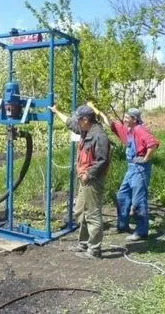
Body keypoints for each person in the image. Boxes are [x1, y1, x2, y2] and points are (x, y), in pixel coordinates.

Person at [88, 103, 159, 241]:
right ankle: (122, 225)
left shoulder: (140, 130)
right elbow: (111, 124)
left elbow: (153, 144)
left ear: (135, 119)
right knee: (122, 195)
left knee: (138, 200)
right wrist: (97, 110)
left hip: (140, 169)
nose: (125, 119)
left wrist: (145, 158)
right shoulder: (128, 131)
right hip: (131, 169)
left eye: (127, 117)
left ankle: (141, 231)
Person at [49, 104, 110, 259]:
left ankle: (95, 250)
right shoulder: (86, 130)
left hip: (92, 180)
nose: (77, 122)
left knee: (93, 214)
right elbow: (70, 123)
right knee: (80, 211)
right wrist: (56, 111)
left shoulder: (99, 136)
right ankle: (84, 243)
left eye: (79, 119)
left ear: (85, 119)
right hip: (85, 179)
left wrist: (88, 175)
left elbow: (102, 161)